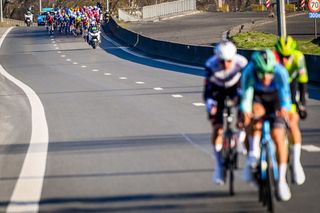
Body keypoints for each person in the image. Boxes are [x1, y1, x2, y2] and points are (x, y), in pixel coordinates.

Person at [240, 49, 292, 201]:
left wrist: (284, 109)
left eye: (269, 73)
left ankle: (281, 181)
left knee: (278, 136)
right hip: (258, 99)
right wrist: (246, 112)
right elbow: (246, 97)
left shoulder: (280, 72)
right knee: (251, 116)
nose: (266, 77)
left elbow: (285, 96)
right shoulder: (249, 72)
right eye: (261, 73)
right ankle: (253, 152)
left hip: (276, 99)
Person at [203, 40, 248, 185]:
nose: (225, 65)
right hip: (218, 91)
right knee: (217, 128)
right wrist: (211, 104)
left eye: (228, 61)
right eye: (222, 61)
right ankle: (219, 165)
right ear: (217, 58)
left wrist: (241, 100)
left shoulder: (242, 63)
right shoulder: (210, 65)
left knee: (245, 112)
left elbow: (247, 86)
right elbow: (208, 92)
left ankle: (240, 138)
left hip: (236, 88)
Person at [274, 36, 308, 185]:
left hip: (292, 89)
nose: (284, 60)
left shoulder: (298, 58)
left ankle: (295, 163)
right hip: (276, 92)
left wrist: (302, 105)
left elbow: (303, 83)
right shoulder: (272, 59)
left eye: (287, 57)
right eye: (281, 56)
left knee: (293, 122)